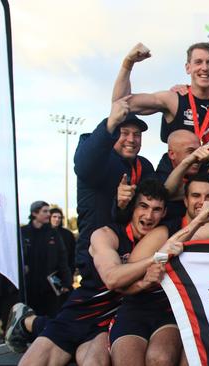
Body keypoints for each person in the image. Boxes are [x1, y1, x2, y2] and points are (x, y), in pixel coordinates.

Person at [8, 180, 182, 366]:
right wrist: (157, 257)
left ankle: (29, 322)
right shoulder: (106, 234)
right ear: (133, 207)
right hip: (81, 310)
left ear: (163, 213)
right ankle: (27, 322)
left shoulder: (163, 237)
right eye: (143, 206)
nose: (149, 215)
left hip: (111, 321)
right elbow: (112, 278)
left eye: (156, 209)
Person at [108, 177, 209, 366]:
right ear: (185, 201)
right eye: (196, 196)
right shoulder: (163, 231)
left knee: (160, 358)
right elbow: (122, 283)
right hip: (135, 309)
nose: (203, 202)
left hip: (172, 313)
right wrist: (145, 281)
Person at [112, 42, 209, 160]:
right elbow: (120, 103)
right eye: (198, 62)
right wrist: (128, 63)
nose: (204, 67)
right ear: (188, 68)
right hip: (178, 178)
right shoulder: (172, 100)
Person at [74, 100, 155, 285]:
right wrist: (109, 125)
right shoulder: (100, 158)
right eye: (124, 133)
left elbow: (160, 196)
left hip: (129, 254)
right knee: (87, 309)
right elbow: (85, 164)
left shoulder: (144, 165)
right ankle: (28, 316)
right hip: (96, 254)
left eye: (137, 135)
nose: (131, 140)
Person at [20, 202, 72, 318]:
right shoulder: (22, 232)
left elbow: (62, 259)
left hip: (49, 286)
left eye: (49, 211)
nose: (49, 214)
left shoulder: (53, 233)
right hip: (29, 286)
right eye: (45, 211)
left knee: (50, 318)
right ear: (34, 213)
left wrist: (67, 282)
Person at [49, 208, 76, 278]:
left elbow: (73, 254)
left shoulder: (68, 234)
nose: (57, 219)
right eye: (54, 217)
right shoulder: (43, 234)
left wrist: (71, 271)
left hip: (64, 271)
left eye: (59, 217)